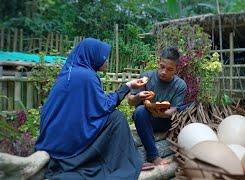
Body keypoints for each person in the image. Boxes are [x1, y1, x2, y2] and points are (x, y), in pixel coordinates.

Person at [24, 38, 144, 179]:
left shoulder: (70, 72)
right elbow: (104, 107)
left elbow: (91, 108)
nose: (107, 61)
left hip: (52, 141)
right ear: (93, 56)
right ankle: (120, 162)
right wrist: (127, 87)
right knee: (116, 118)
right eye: (104, 57)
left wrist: (127, 86)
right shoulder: (87, 76)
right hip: (68, 149)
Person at [127, 47, 187, 166]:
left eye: (170, 69)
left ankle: (152, 155)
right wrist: (139, 96)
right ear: (158, 62)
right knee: (140, 111)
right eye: (162, 67)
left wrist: (161, 113)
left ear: (176, 69)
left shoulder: (180, 85)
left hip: (164, 121)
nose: (164, 71)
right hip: (143, 118)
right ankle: (153, 156)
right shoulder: (146, 77)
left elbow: (174, 110)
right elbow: (130, 101)